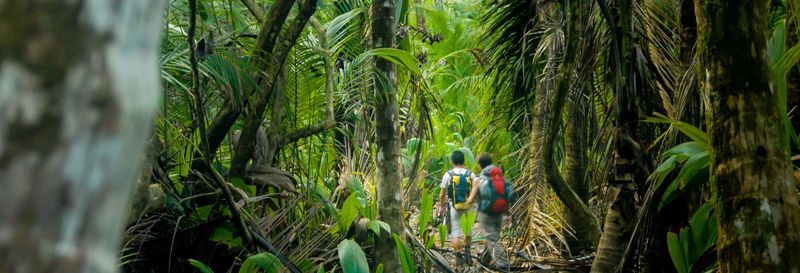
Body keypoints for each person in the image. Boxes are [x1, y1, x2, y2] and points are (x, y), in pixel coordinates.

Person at [467, 153, 512, 271]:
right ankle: (483, 263)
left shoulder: (479, 179)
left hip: (486, 213)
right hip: (500, 212)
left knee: (492, 239)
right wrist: (507, 214)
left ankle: (503, 265)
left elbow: (471, 199)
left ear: (479, 164)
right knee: (492, 238)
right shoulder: (500, 177)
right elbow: (506, 195)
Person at [436, 150, 478, 266]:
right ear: (463, 160)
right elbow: (475, 189)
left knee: (455, 233)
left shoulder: (448, 175)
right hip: (468, 206)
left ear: (452, 161)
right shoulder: (470, 174)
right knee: (467, 231)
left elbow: (442, 194)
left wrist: (442, 206)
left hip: (454, 207)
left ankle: (459, 259)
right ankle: (468, 254)